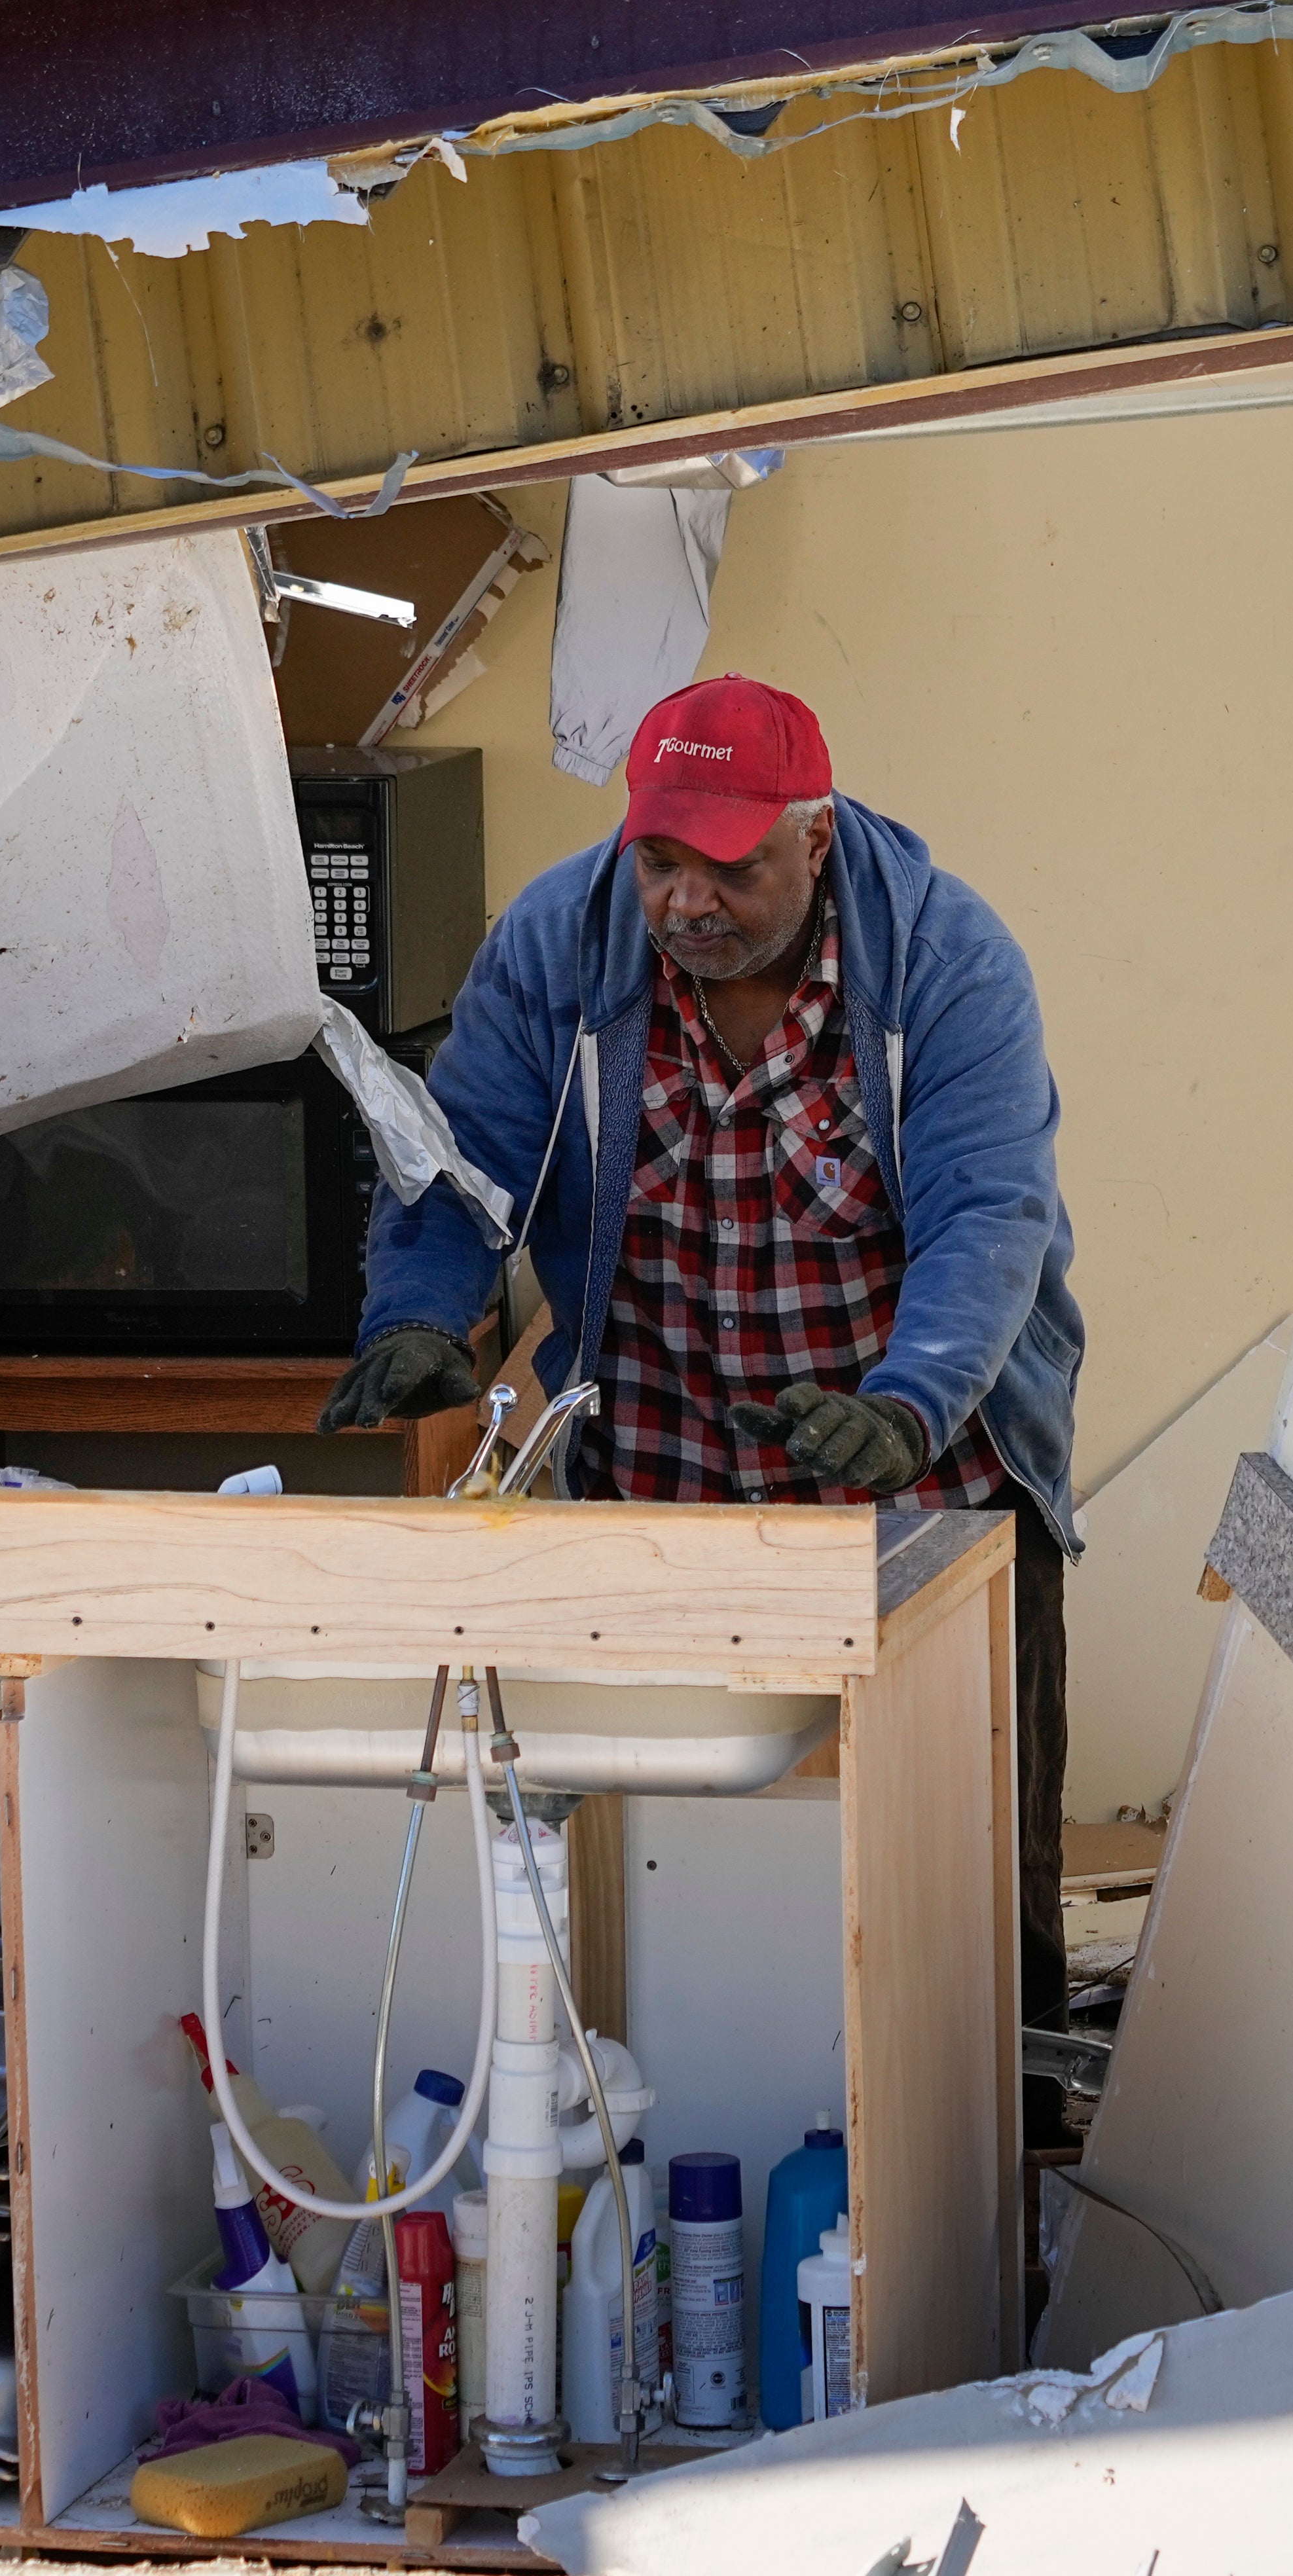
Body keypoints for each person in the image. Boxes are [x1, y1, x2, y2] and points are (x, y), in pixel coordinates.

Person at [321, 674, 1083, 2065]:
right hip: (664, 1461)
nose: (686, 900)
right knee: (677, 1857)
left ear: (815, 831)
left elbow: (991, 1216)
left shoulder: (949, 960)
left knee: (972, 1873)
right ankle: (688, 2108)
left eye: (728, 865)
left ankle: (1006, 2177)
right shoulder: (561, 943)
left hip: (933, 1482)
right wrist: (422, 1315)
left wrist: (906, 1409)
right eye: (661, 858)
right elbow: (459, 1162)